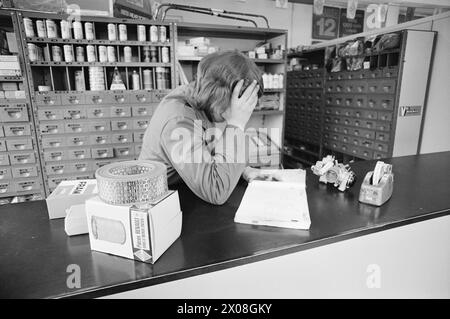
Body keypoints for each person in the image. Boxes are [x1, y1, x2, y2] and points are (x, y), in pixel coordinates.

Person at [139, 50, 264, 205]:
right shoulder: (178, 120)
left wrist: (244, 170)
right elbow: (216, 190)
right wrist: (236, 124)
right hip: (161, 201)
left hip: (188, 188)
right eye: (239, 107)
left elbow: (211, 148)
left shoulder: (206, 101)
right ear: (219, 96)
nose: (241, 112)